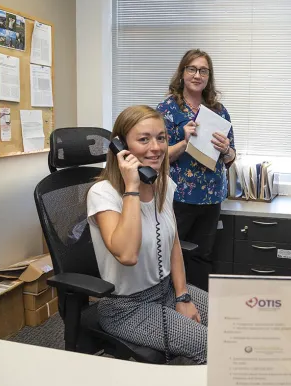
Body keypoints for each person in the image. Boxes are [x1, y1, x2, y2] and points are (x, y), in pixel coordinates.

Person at [87, 105, 208, 364]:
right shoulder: (102, 194)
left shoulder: (163, 184)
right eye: (144, 139)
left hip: (166, 291)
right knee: (212, 348)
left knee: (234, 324)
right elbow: (127, 254)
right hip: (126, 308)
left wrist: (182, 295)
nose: (156, 147)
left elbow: (173, 242)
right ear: (120, 147)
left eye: (161, 138)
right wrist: (132, 186)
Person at [157, 49, 236, 292]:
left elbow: (232, 157)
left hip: (211, 196)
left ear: (208, 77)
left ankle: (200, 307)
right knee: (174, 254)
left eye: (203, 70)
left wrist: (225, 150)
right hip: (179, 197)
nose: (197, 75)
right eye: (191, 69)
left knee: (204, 255)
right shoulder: (167, 110)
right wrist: (184, 141)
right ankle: (175, 303)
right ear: (182, 73)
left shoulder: (218, 110)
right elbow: (158, 157)